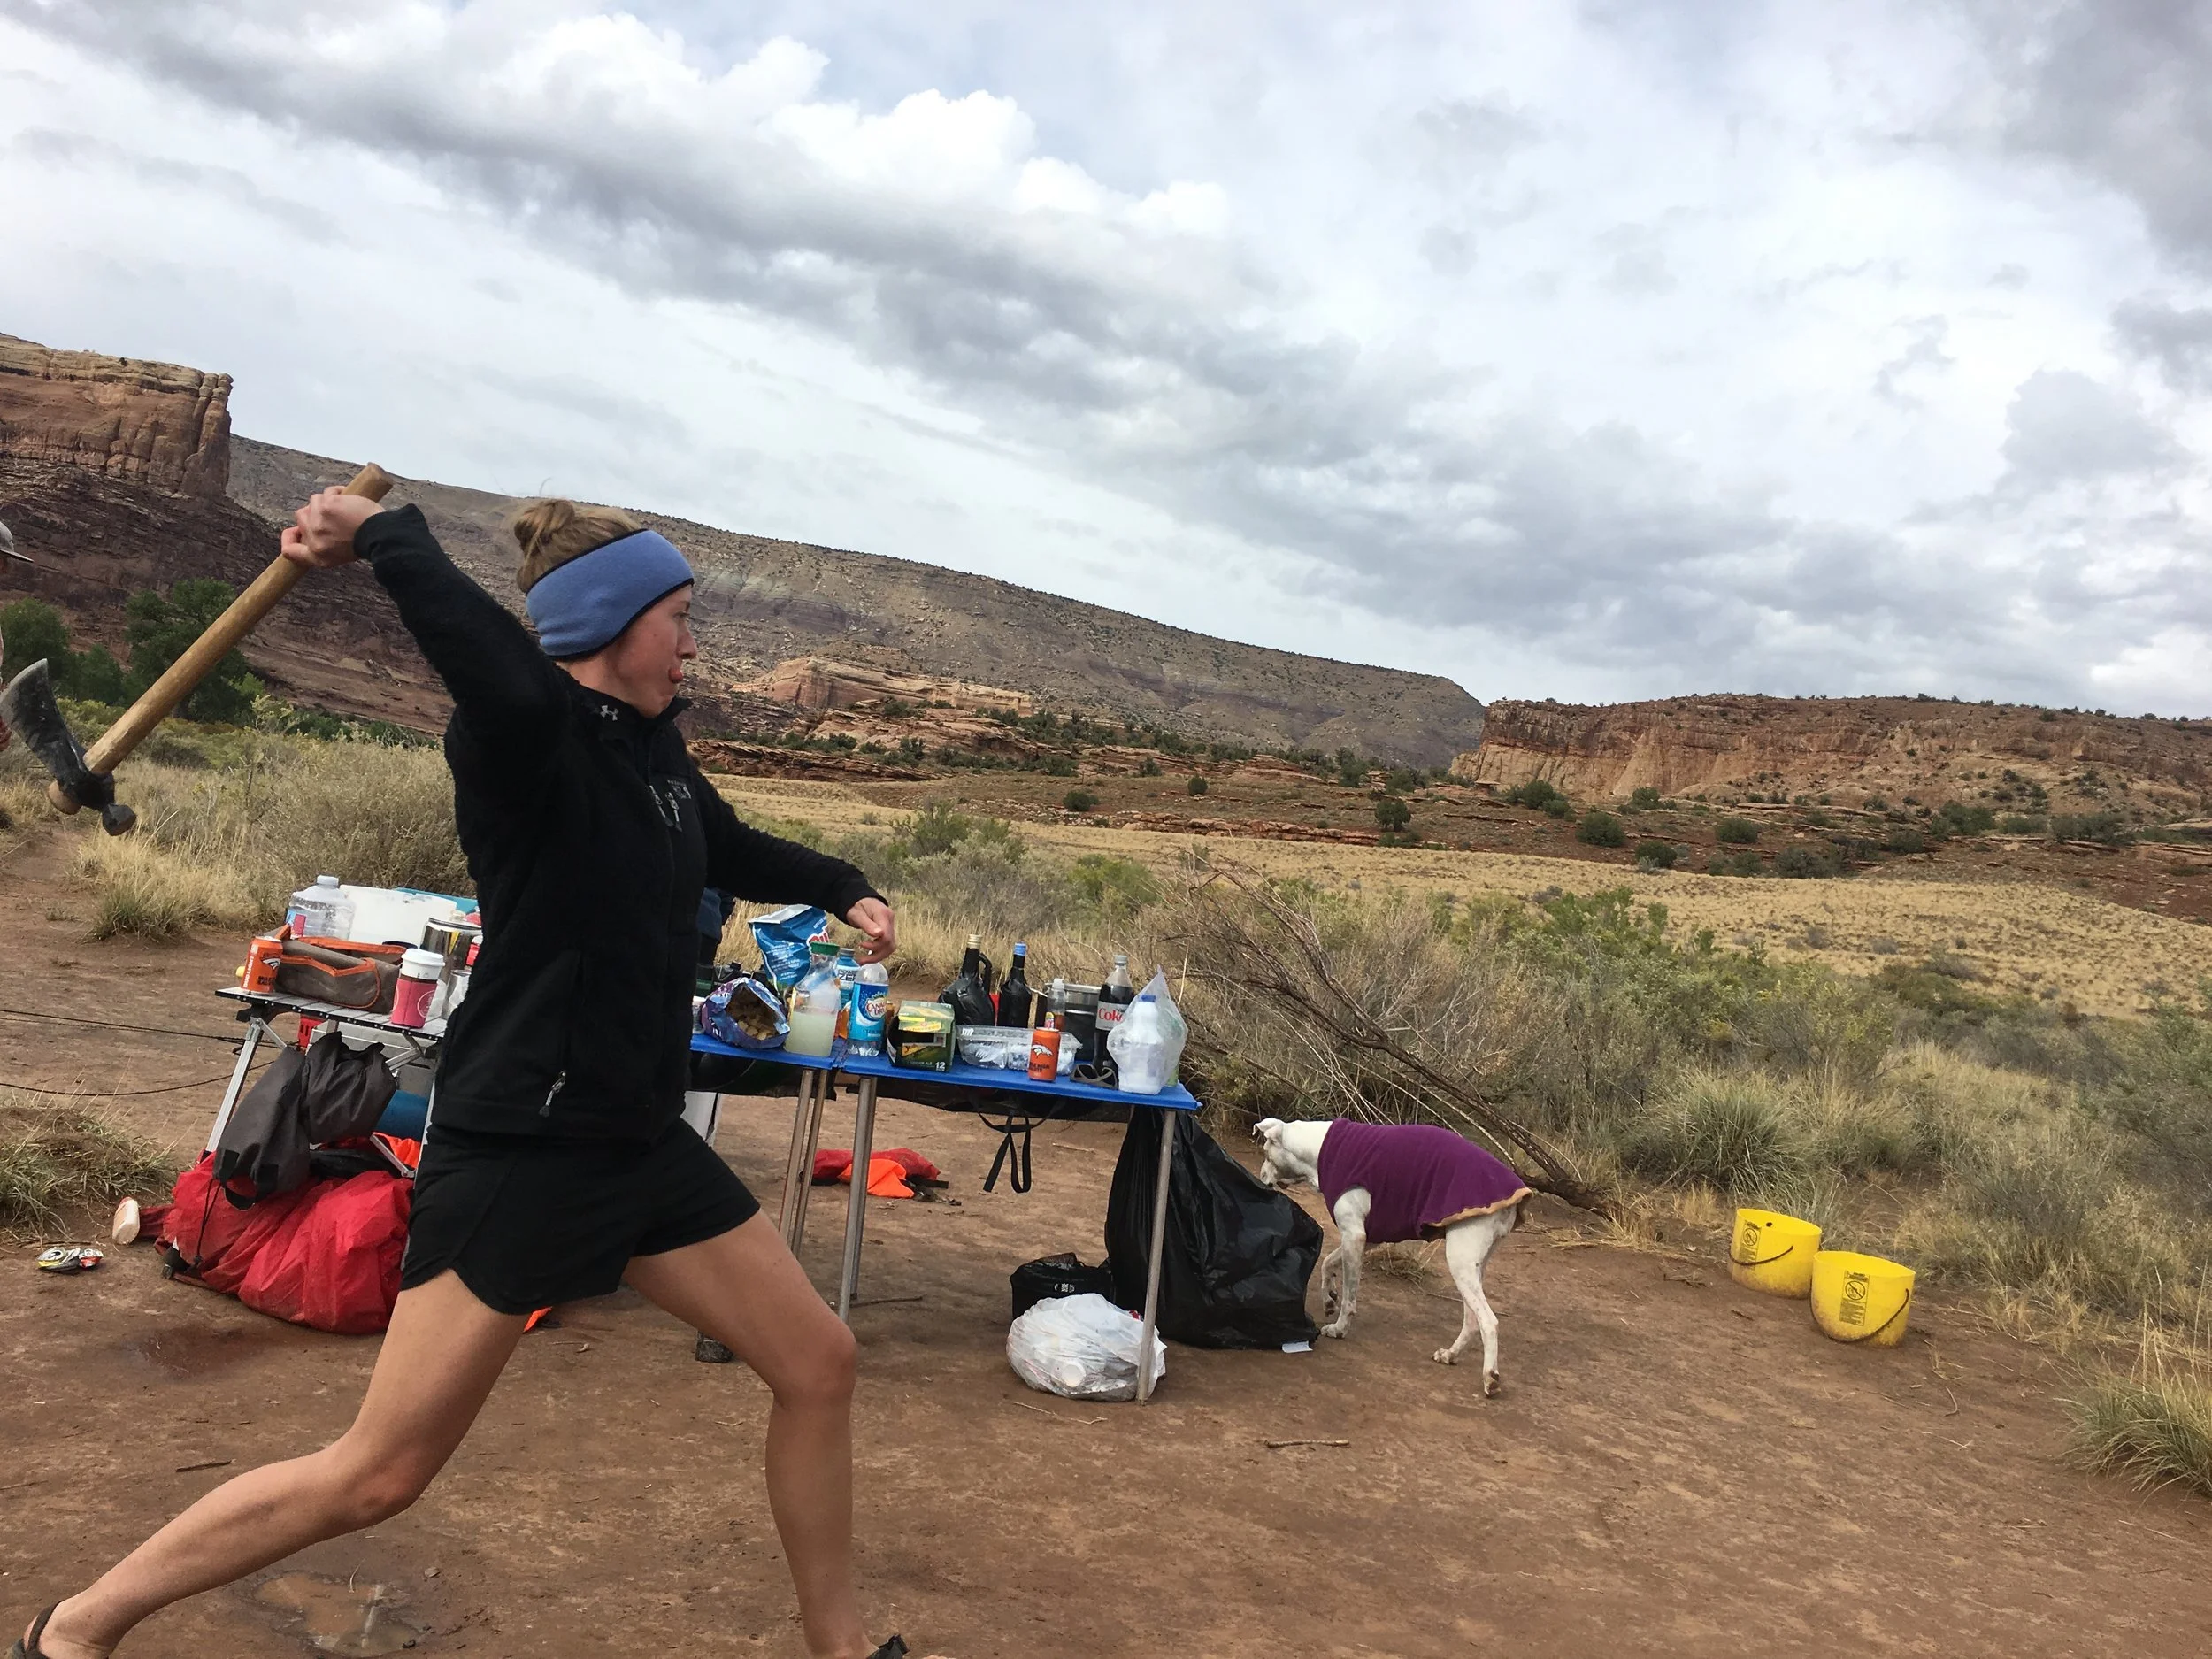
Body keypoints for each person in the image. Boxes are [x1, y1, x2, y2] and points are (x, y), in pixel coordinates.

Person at [13, 492, 909, 1659]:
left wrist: (844, 885)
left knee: (819, 1361)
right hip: (524, 1149)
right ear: (612, 621)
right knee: (379, 1473)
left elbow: (724, 845)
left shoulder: (653, 753)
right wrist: (387, 534)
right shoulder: (521, 743)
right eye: (679, 617)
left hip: (637, 1142)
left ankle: (843, 1649)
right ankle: (76, 1627)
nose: (693, 644)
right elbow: (510, 678)